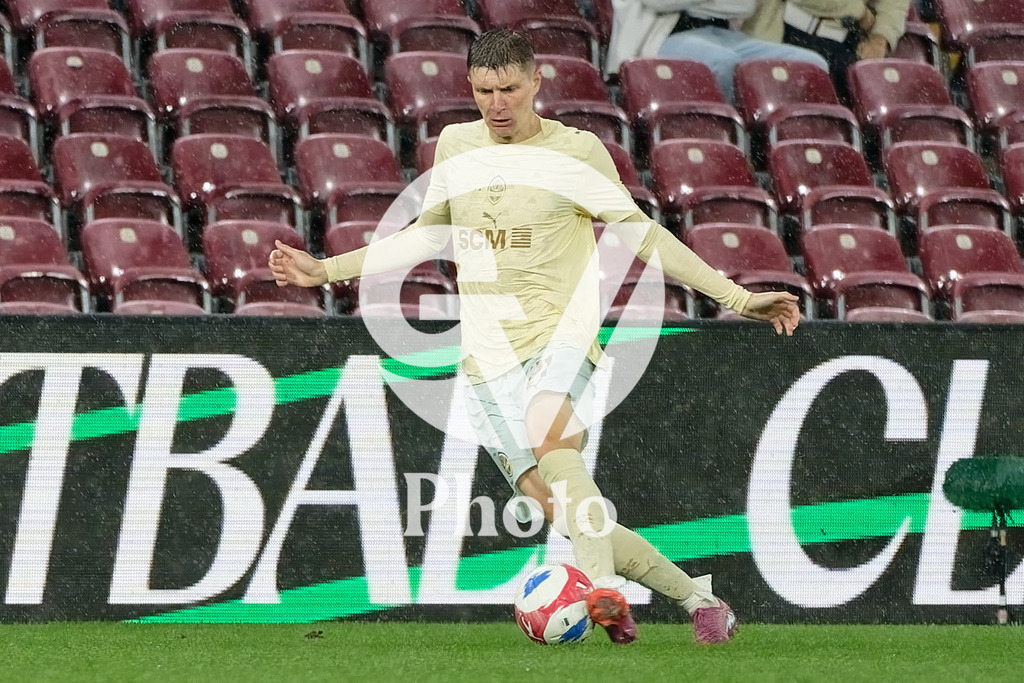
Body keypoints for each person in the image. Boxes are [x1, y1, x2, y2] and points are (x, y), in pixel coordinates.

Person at [269, 29, 800, 645]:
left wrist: (737, 298)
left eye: (510, 90)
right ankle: (699, 598)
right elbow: (427, 234)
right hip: (488, 354)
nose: (497, 104)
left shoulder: (577, 153)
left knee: (554, 440)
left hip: (562, 333)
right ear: (470, 88)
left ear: (536, 83)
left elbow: (642, 235)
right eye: (484, 91)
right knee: (564, 506)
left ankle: (604, 590)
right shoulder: (457, 146)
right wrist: (327, 269)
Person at [606, 0, 830, 102]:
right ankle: (725, 134)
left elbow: (745, 5)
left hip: (722, 35)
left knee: (812, 64)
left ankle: (787, 140)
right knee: (722, 62)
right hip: (665, 39)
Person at [743, 0, 910, 99]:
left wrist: (881, 37)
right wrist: (859, 11)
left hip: (847, 44)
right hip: (784, 36)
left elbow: (894, 4)